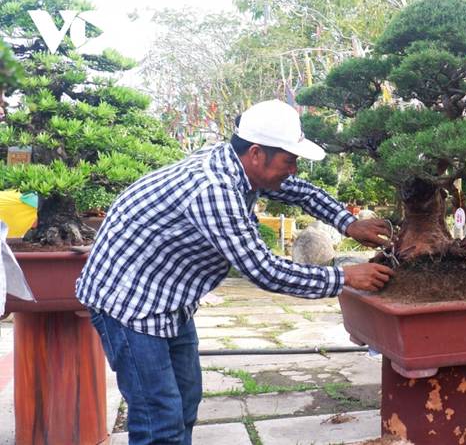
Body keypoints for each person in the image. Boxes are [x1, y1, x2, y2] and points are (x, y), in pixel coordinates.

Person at [76, 99, 395, 445]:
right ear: (257, 153)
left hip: (169, 296)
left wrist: (348, 224)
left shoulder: (241, 165)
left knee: (184, 403)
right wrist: (345, 277)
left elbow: (300, 191)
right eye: (289, 161)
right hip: (128, 304)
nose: (294, 170)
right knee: (159, 420)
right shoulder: (213, 188)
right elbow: (263, 269)